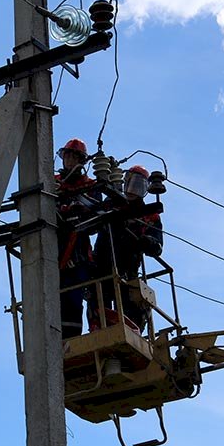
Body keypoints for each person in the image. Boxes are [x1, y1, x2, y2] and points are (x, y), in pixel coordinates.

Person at [93, 165, 163, 333]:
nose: (133, 189)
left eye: (138, 185)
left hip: (128, 267)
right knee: (98, 299)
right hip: (102, 264)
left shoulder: (149, 214)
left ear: (145, 189)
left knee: (131, 305)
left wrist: (147, 241)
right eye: (130, 183)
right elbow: (90, 222)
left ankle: (131, 328)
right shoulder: (111, 204)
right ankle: (99, 327)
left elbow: (157, 246)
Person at [55, 138, 99, 339]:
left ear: (81, 160)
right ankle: (54, 338)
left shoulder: (89, 185)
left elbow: (96, 217)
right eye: (67, 156)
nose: (69, 160)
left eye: (73, 156)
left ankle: (72, 338)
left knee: (73, 298)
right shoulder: (53, 182)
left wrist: (79, 209)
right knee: (51, 297)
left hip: (78, 252)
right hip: (54, 250)